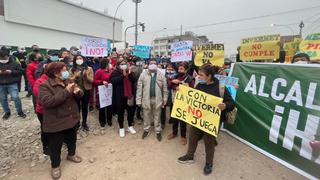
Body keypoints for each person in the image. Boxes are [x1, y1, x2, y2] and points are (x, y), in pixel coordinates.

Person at [178, 64, 235, 175]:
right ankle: (190, 156)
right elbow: (192, 97)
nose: (198, 77)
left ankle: (209, 164)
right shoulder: (199, 85)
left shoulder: (221, 88)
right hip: (198, 118)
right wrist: (183, 92)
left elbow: (232, 103)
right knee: (193, 136)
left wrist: (225, 106)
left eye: (201, 75)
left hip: (212, 121)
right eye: (198, 74)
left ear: (209, 76)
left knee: (209, 142)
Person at [38, 62, 83, 179]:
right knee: (55, 146)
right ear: (55, 73)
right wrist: (67, 91)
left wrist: (78, 92)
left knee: (72, 139)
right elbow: (48, 102)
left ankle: (71, 155)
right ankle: (55, 166)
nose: (66, 72)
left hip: (71, 118)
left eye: (65, 69)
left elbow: (79, 95)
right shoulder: (45, 85)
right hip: (56, 121)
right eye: (63, 70)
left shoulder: (67, 81)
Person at [136, 59, 168, 142]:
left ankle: (158, 131)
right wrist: (138, 100)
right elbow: (139, 88)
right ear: (148, 65)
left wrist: (165, 99)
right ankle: (146, 129)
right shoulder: (143, 74)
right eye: (151, 63)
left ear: (157, 65)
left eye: (154, 63)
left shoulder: (161, 74)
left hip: (158, 99)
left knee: (157, 115)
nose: (153, 65)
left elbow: (165, 88)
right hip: (146, 99)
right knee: (146, 115)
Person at [167, 62, 194, 145]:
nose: (179, 70)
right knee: (174, 117)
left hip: (184, 102)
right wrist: (174, 85)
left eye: (181, 69)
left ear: (186, 70)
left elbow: (192, 89)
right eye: (179, 68)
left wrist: (181, 86)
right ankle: (174, 133)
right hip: (175, 100)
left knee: (182, 120)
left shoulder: (190, 78)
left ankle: (183, 136)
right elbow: (169, 86)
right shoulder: (175, 76)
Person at [109, 58, 137, 138]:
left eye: (124, 64)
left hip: (129, 95)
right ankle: (121, 128)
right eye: (121, 64)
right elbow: (112, 81)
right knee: (120, 112)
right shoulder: (115, 72)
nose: (123, 65)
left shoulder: (130, 71)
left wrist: (130, 74)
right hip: (119, 96)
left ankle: (130, 126)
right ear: (118, 65)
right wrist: (122, 76)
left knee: (130, 111)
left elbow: (134, 80)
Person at [0, 47, 26, 120]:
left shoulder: (14, 63)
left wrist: (11, 72)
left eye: (4, 58)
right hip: (1, 84)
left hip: (12, 83)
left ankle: (20, 111)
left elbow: (21, 71)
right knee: (2, 99)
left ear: (8, 56)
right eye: (1, 58)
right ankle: (7, 112)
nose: (3, 60)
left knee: (16, 97)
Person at [70, 55, 94, 131]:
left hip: (86, 90)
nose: (79, 60)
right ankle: (77, 122)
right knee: (77, 107)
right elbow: (70, 81)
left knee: (84, 107)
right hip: (77, 91)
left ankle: (84, 122)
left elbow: (92, 80)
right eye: (77, 59)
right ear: (74, 60)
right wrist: (75, 76)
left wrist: (86, 76)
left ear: (83, 59)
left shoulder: (89, 69)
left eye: (80, 58)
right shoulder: (72, 69)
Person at [33, 64, 49, 155]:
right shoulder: (40, 82)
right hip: (44, 111)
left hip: (56, 109)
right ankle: (46, 146)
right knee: (45, 128)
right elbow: (40, 97)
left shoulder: (59, 80)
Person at [94, 58, 113, 127]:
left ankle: (109, 120)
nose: (110, 64)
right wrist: (102, 82)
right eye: (109, 63)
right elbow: (94, 81)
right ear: (105, 64)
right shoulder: (99, 71)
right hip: (102, 91)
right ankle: (102, 121)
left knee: (109, 106)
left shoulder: (111, 71)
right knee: (102, 106)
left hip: (109, 91)